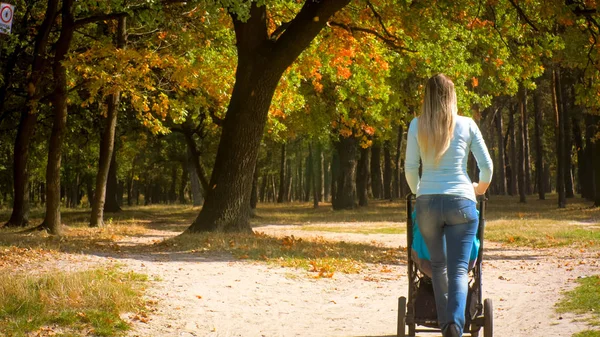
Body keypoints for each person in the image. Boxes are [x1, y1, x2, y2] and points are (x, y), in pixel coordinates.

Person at [404, 74, 493, 337]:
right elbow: (487, 168)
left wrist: (420, 193)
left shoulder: (417, 125)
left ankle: (448, 326)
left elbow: (410, 169)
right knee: (458, 269)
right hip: (461, 202)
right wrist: (478, 189)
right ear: (452, 97)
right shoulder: (467, 125)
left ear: (427, 98)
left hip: (428, 202)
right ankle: (454, 325)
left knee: (439, 266)